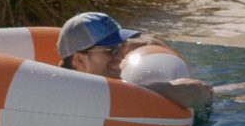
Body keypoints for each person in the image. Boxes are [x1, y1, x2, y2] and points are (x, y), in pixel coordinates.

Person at [57, 11, 213, 115]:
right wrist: (146, 92)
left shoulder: (109, 78)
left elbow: (147, 40)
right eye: (111, 50)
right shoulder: (62, 92)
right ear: (79, 60)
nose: (121, 56)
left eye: (122, 46)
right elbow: (193, 92)